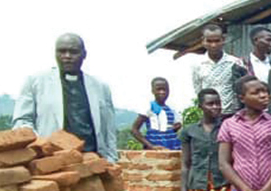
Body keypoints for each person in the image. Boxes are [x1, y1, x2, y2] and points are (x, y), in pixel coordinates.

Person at [13, 33, 118, 161]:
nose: (67, 56)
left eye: (73, 52)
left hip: (92, 160)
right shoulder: (36, 82)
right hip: (50, 162)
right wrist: (40, 146)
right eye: (62, 51)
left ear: (84, 54)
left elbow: (109, 129)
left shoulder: (100, 87)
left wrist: (111, 160)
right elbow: (22, 121)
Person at [191, 24, 247, 117]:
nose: (213, 45)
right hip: (210, 115)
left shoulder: (235, 62)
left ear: (223, 40)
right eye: (209, 41)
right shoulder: (197, 65)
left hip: (232, 115)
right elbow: (199, 91)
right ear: (203, 41)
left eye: (217, 41)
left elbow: (242, 89)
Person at [130, 77, 182, 150]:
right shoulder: (149, 107)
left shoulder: (172, 108)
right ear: (153, 91)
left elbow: (173, 127)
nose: (162, 92)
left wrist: (175, 127)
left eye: (165, 90)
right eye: (159, 89)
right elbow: (134, 129)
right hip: (154, 148)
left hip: (172, 146)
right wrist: (151, 146)